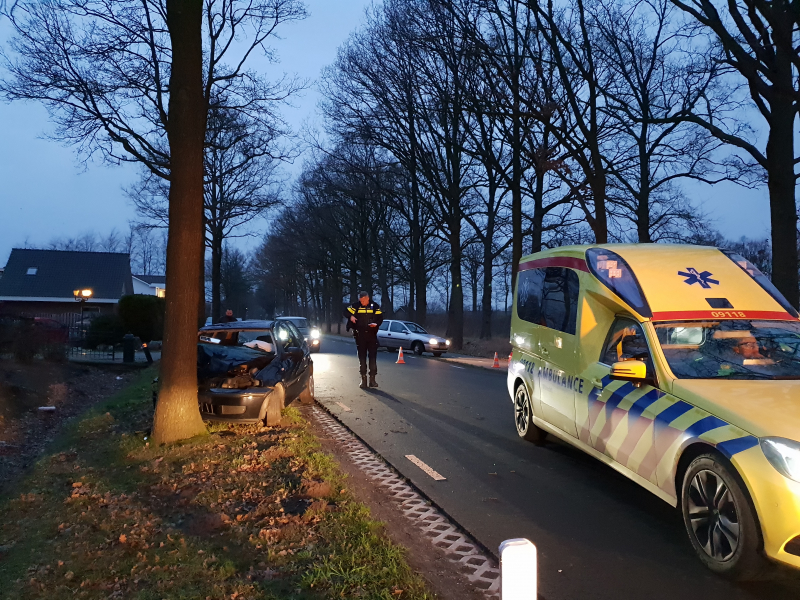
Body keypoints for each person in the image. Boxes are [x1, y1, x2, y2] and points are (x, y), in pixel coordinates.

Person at [344, 291, 384, 389]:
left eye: (364, 300)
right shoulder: (355, 306)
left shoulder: (374, 306)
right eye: (361, 300)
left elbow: (380, 317)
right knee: (362, 358)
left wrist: (376, 324)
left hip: (371, 335)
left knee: (373, 357)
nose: (362, 302)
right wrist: (351, 316)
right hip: (360, 335)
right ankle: (363, 379)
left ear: (368, 298)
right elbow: (345, 311)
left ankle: (372, 380)